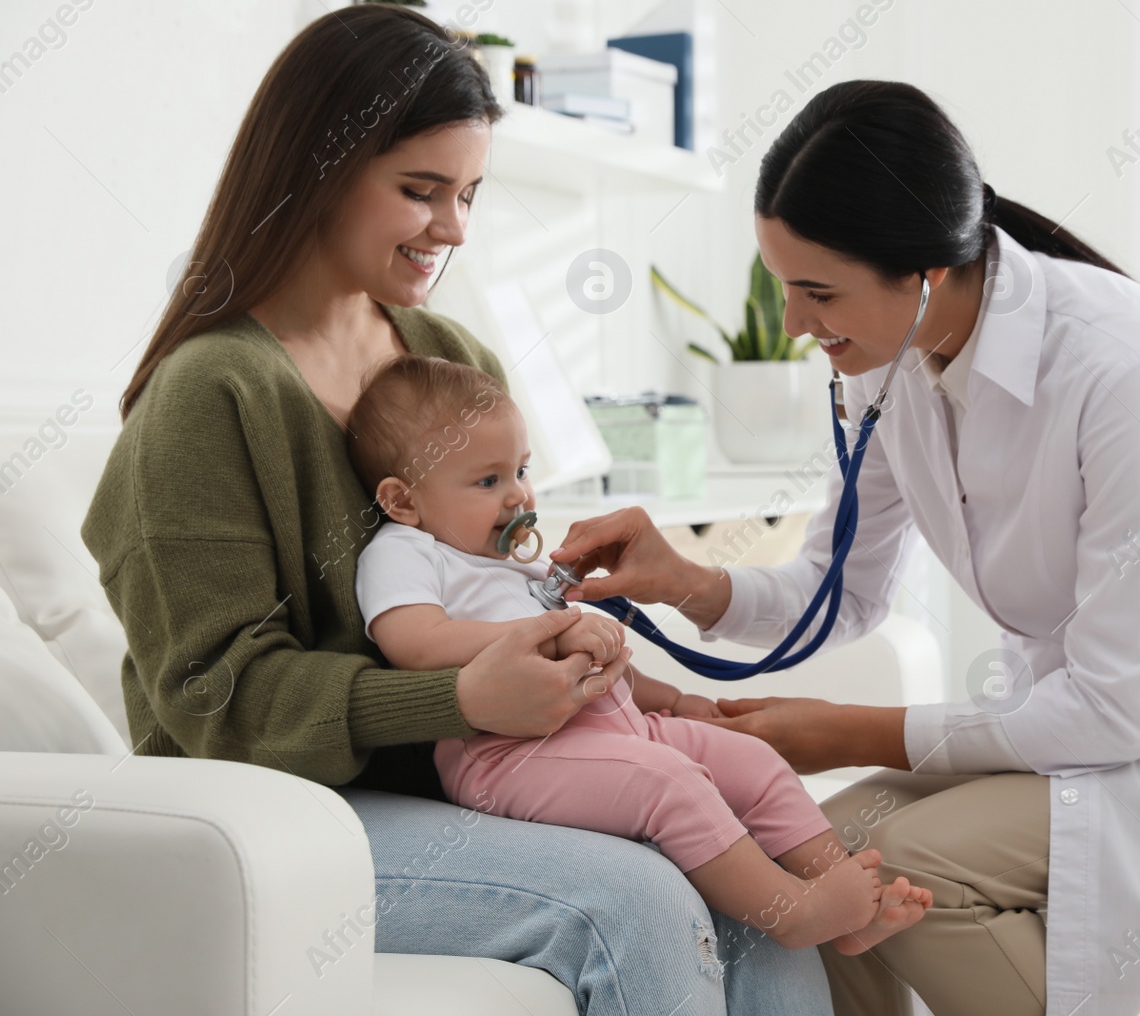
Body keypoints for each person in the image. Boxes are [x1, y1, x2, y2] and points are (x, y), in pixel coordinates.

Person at [546, 79, 1140, 1016]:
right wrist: (686, 580)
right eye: (784, 286)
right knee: (805, 863)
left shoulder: (1126, 365)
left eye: (818, 292)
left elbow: (1114, 712)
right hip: (1082, 728)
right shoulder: (891, 363)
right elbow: (839, 592)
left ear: (926, 273)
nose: (794, 325)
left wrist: (846, 731)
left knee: (898, 866)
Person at [79, 3, 831, 1015]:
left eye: (469, 193)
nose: (453, 228)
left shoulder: (447, 357)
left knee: (741, 863)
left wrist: (572, 631)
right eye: (420, 190)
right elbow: (216, 698)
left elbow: (498, 574)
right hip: (281, 815)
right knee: (636, 901)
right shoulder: (208, 396)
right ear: (315, 168)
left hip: (473, 772)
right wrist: (463, 697)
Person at [346, 354, 932, 953]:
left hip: (620, 730)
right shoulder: (406, 551)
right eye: (488, 481)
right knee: (671, 785)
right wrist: (546, 632)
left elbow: (607, 670)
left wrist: (677, 700)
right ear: (403, 501)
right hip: (507, 758)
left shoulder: (511, 565)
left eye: (522, 470)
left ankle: (841, 901)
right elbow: (415, 645)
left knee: (751, 760)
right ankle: (793, 914)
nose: (518, 496)